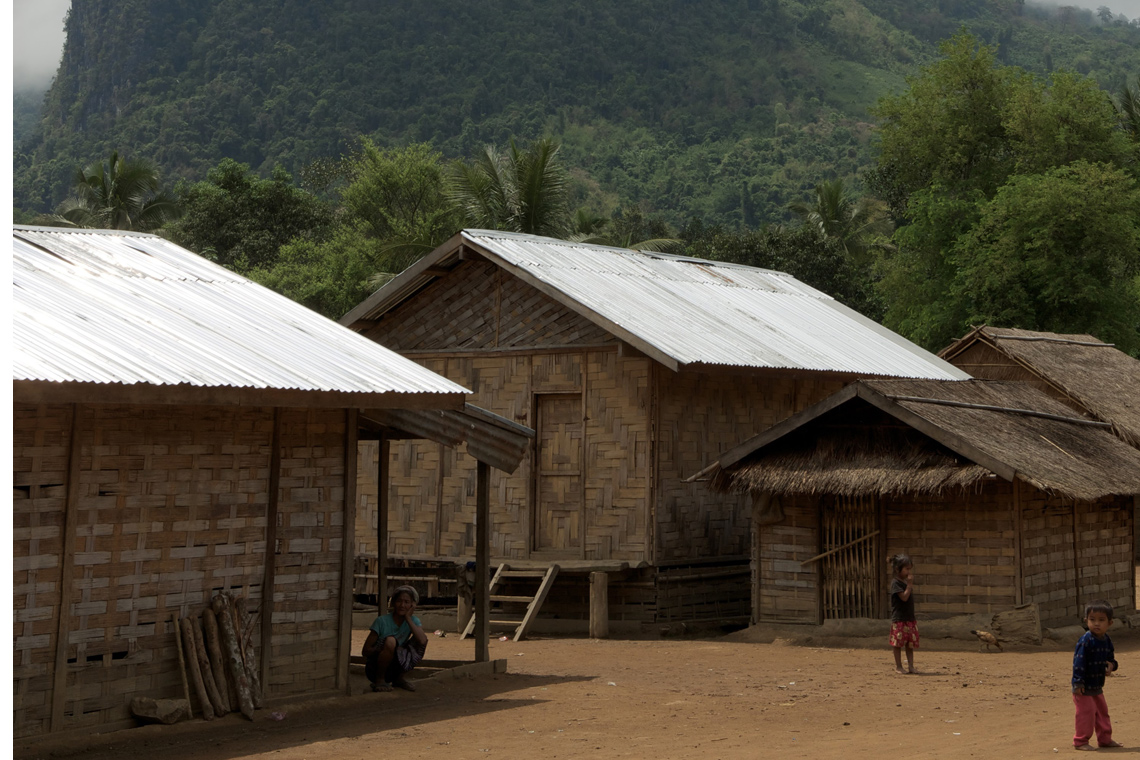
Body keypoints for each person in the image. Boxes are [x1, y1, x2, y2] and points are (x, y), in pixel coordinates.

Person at [1072, 600, 1123, 751]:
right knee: (1086, 715)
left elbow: (1111, 658)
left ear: (1110, 623)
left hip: (1097, 685)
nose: (1096, 624)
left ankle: (1105, 739)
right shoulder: (1085, 641)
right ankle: (1080, 741)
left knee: (1102, 713)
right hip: (1083, 686)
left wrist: (1111, 665)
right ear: (1086, 620)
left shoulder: (1106, 640)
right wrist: (1078, 683)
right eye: (1092, 620)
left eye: (1101, 620)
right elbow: (1078, 663)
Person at [363, 585, 428, 693]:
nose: (402, 605)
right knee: (390, 641)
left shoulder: (413, 621)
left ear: (412, 605)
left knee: (419, 640)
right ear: (393, 603)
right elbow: (365, 650)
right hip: (374, 667)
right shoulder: (381, 621)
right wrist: (382, 649)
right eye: (399, 601)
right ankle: (380, 680)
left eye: (407, 602)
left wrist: (408, 618)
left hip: (396, 665)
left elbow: (422, 641)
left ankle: (398, 679)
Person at [887, 553, 918, 675]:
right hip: (899, 619)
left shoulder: (904, 583)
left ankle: (911, 666)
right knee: (898, 643)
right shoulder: (896, 583)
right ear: (897, 569)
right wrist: (909, 586)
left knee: (910, 644)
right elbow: (904, 598)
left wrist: (908, 585)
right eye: (906, 569)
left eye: (910, 569)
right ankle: (899, 666)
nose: (909, 572)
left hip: (909, 618)